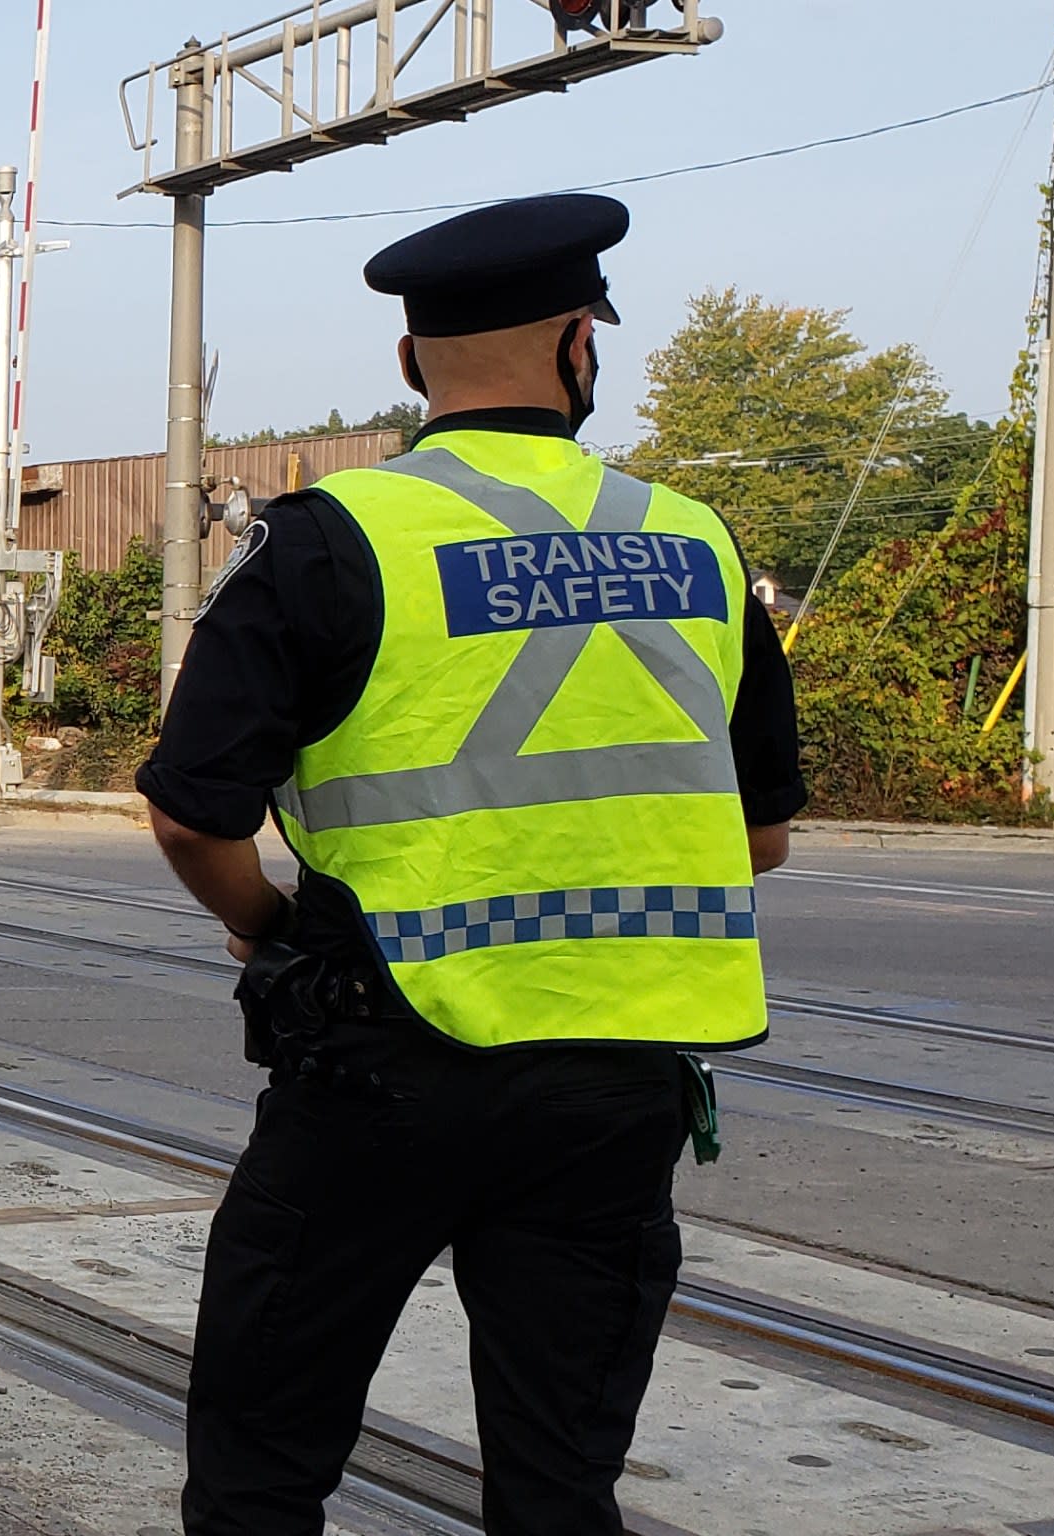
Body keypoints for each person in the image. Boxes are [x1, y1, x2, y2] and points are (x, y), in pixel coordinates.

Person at [132, 191, 805, 1536]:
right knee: (561, 1489)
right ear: (579, 348)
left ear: (410, 366)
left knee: (262, 1470)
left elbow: (191, 811)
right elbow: (763, 835)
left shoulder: (330, 539)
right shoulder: (695, 543)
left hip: (381, 1071)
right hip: (614, 1092)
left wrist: (270, 928)